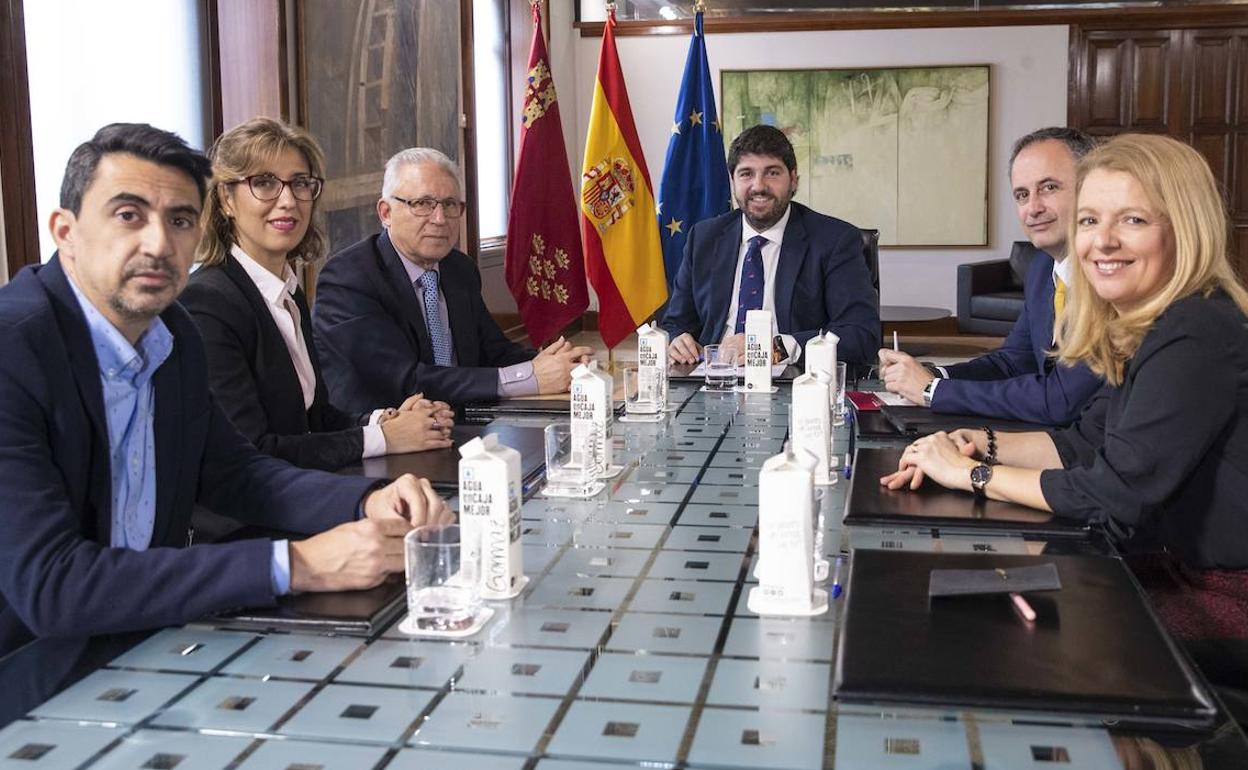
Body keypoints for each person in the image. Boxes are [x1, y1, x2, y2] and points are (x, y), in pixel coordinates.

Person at [0, 123, 451, 657]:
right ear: (65, 231)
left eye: (180, 219)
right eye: (128, 215)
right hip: (33, 668)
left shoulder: (171, 332)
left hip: (152, 636)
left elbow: (237, 473)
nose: (159, 243)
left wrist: (368, 501)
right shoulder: (14, 349)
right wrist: (297, 565)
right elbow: (53, 587)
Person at [882, 133, 1248, 639]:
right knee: (949, 590)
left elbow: (1112, 498)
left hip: (1220, 593)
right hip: (1168, 563)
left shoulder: (1196, 328)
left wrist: (972, 475)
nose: (1103, 241)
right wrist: (983, 444)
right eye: (1090, 220)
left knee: (969, 627)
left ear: (1184, 228)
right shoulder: (1146, 324)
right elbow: (1082, 442)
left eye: (1133, 220)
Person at [181, 118, 453, 472]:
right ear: (226, 199)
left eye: (300, 183)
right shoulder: (208, 303)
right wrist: (386, 438)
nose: (288, 200)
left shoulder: (287, 293)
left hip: (305, 488)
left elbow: (316, 419)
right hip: (246, 520)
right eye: (263, 183)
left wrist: (384, 420)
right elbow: (253, 451)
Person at [313, 147, 592, 409]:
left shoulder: (459, 268)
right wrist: (529, 377)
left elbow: (494, 353)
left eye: (449, 205)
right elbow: (407, 381)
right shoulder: (349, 279)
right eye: (422, 204)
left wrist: (557, 364)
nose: (439, 218)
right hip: (387, 435)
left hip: (463, 423)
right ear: (386, 213)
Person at [878, 127, 1104, 425]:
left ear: (1091, 187)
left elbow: (1061, 400)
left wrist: (934, 391)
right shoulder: (1041, 268)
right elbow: (1013, 362)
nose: (1033, 208)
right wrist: (935, 374)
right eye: (1022, 195)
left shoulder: (1110, 277)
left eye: (1049, 188)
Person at [660, 124, 879, 367]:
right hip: (714, 380)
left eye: (772, 173)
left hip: (794, 383)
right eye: (746, 174)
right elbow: (674, 323)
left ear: (793, 179)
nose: (759, 186)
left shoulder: (834, 240)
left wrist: (775, 348)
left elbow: (860, 335)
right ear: (732, 181)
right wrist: (677, 340)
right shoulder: (704, 238)